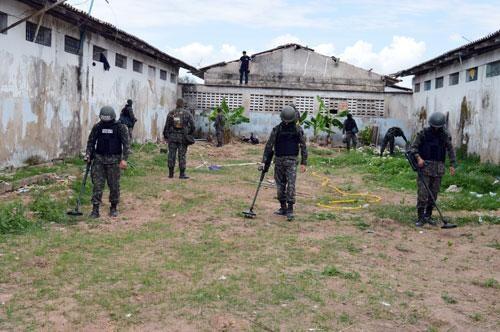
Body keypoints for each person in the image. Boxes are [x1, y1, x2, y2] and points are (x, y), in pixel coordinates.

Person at [261, 106, 308, 221]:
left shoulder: (277, 129)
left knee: (281, 184)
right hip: (288, 161)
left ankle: (285, 208)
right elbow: (303, 146)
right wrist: (303, 162)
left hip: (282, 160)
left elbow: (268, 146)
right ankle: (287, 209)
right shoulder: (297, 129)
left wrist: (264, 160)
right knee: (288, 184)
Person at [410, 112, 457, 227]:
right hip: (425, 168)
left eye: (438, 127)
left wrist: (452, 164)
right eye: (434, 126)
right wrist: (418, 158)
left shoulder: (445, 135)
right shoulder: (423, 133)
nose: (436, 129)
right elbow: (413, 148)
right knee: (423, 193)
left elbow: (450, 150)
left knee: (433, 195)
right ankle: (421, 217)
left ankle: (428, 216)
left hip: (438, 169)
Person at [85, 106, 129, 218]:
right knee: (97, 186)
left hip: (114, 161)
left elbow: (126, 144)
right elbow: (91, 142)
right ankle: (95, 209)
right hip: (99, 159)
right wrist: (88, 154)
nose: (105, 122)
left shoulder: (120, 127)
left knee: (114, 185)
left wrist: (124, 159)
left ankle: (113, 207)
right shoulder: (98, 127)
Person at [163, 98, 195, 179]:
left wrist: (166, 136)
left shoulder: (171, 113)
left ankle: (170, 174)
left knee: (171, 155)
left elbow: (167, 126)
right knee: (182, 156)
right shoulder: (187, 113)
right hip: (183, 138)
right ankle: (182, 174)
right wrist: (189, 134)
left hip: (172, 137)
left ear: (176, 104)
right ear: (183, 104)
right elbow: (193, 126)